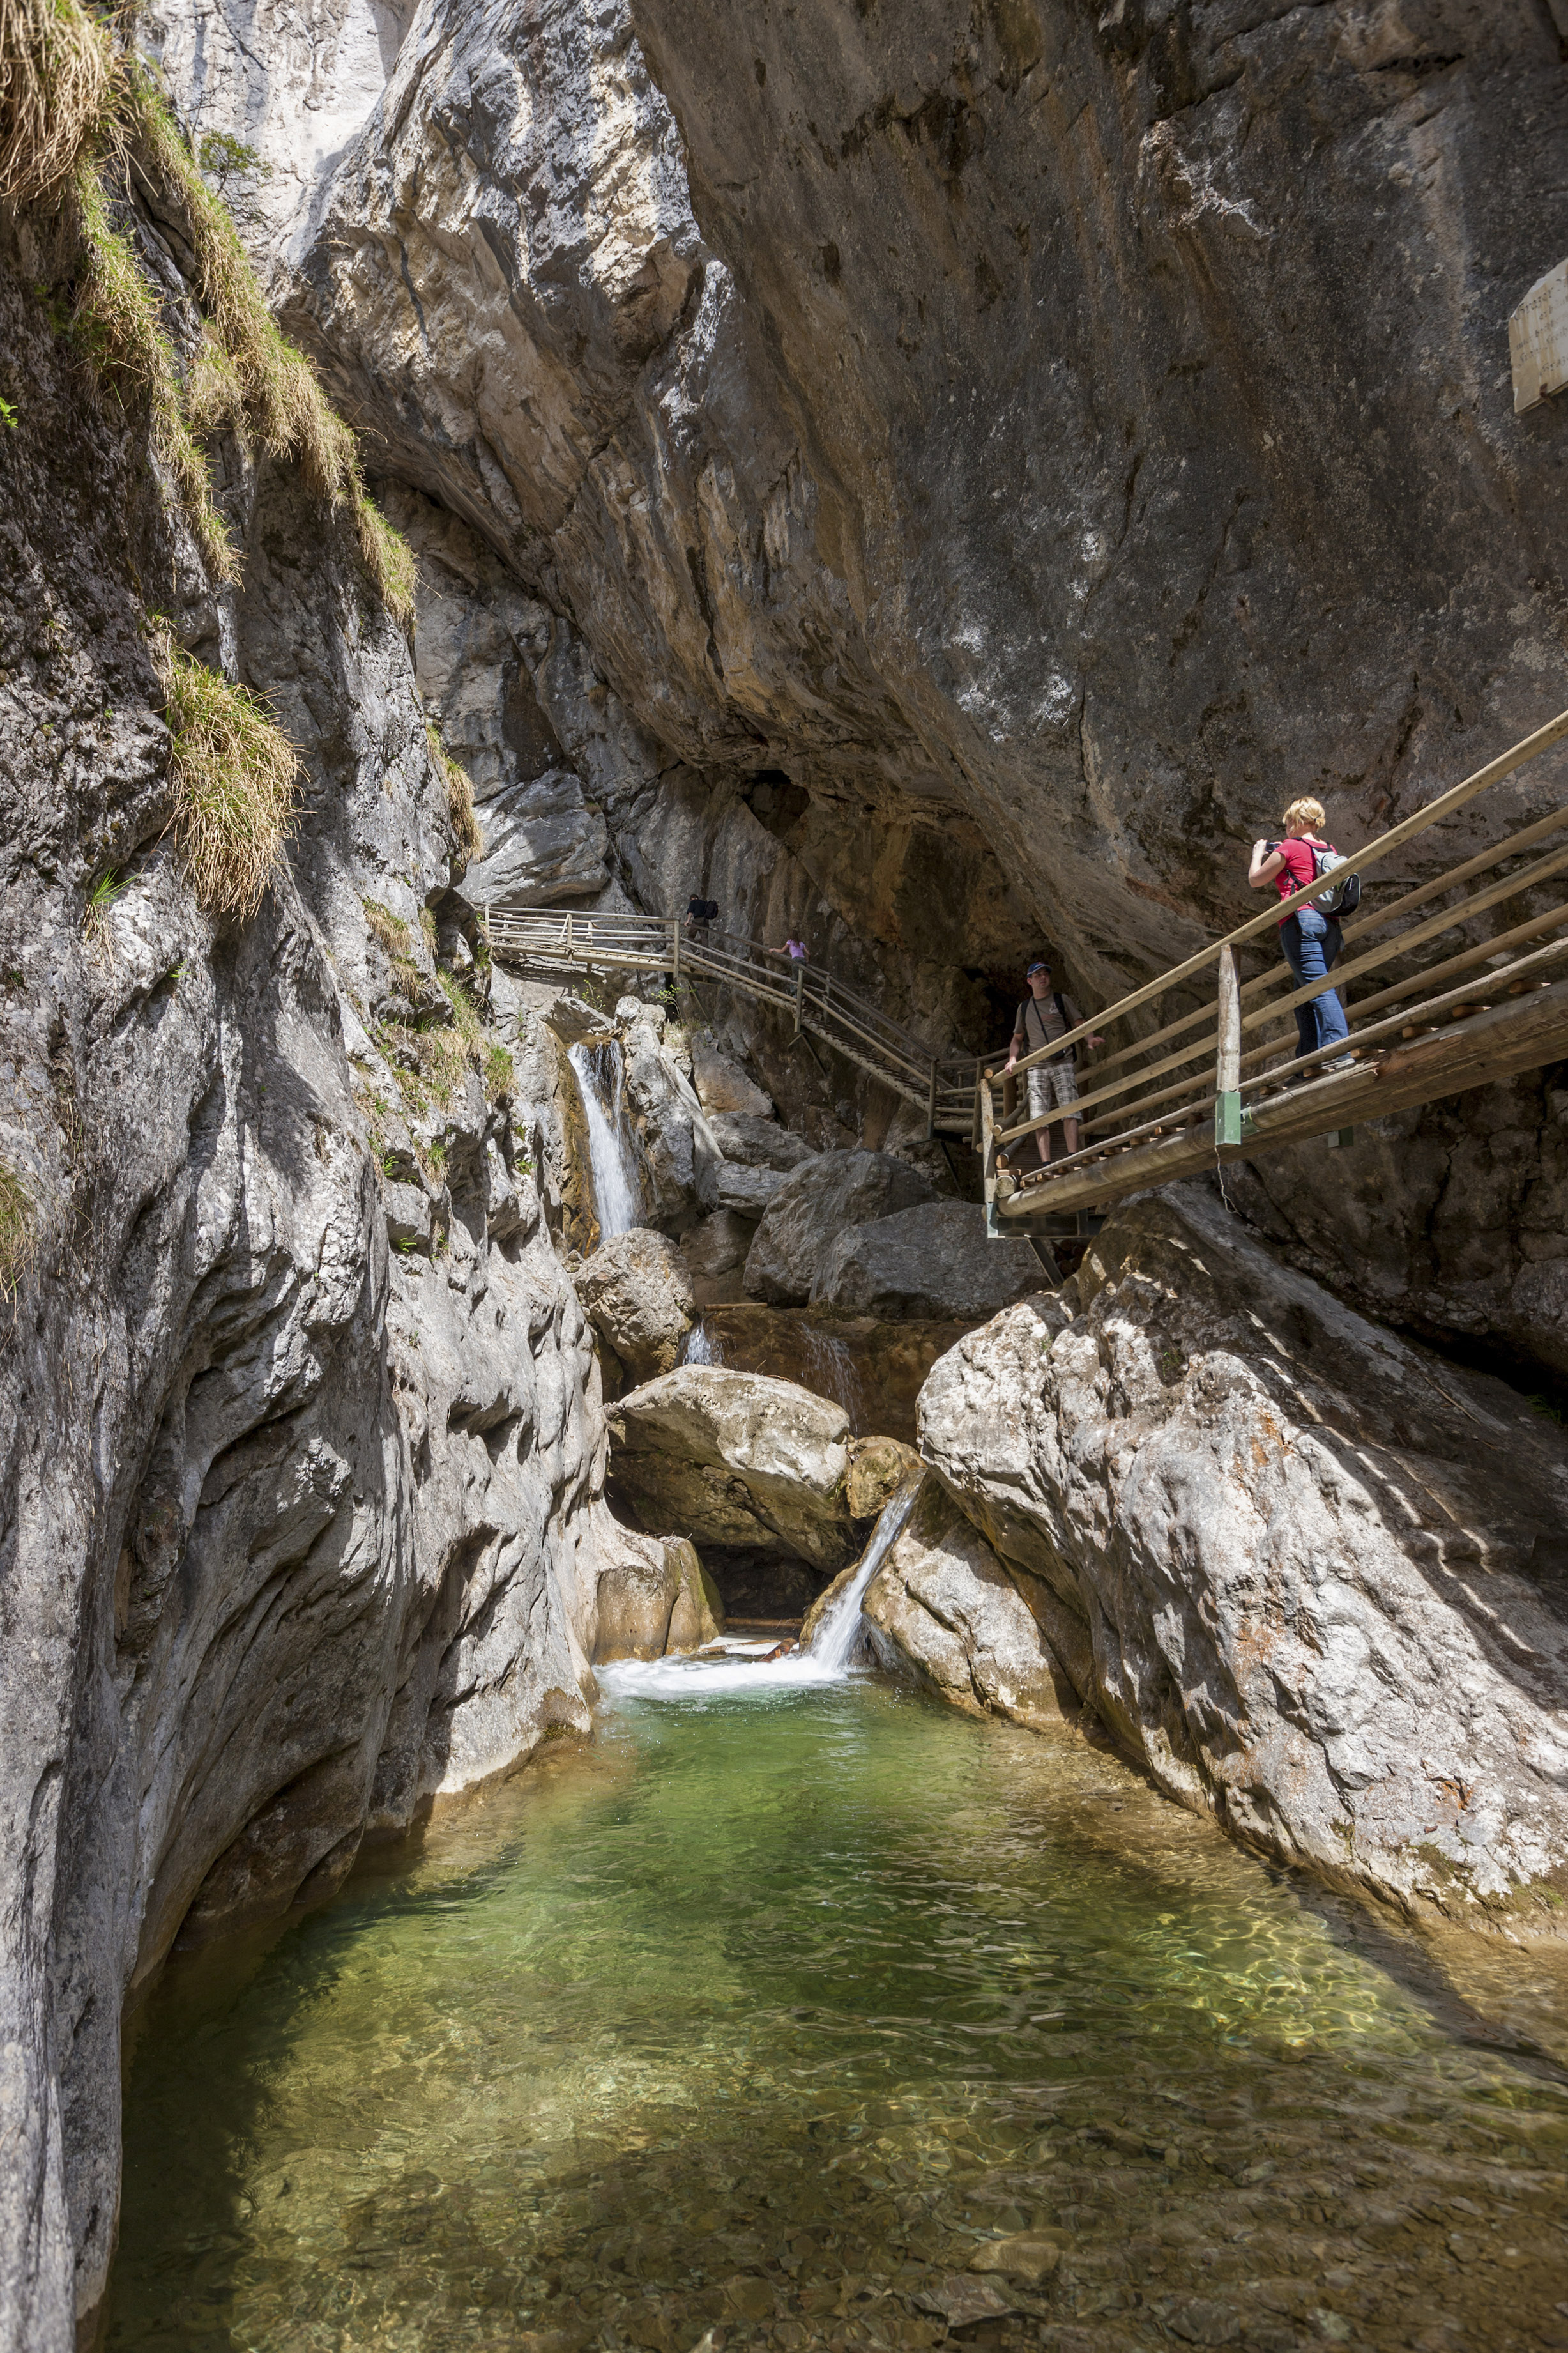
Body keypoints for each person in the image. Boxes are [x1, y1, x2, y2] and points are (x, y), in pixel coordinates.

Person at [1247, 798, 1351, 1072]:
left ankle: (1338, 1050)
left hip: (1301, 921)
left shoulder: (1291, 846)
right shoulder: (1329, 849)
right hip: (1330, 927)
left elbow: (1256, 880)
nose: (1286, 829)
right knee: (1304, 993)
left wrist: (1258, 853)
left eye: (1287, 823)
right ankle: (1308, 1060)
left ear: (1295, 820)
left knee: (1317, 987)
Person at [1003, 957, 1103, 1166]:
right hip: (1037, 1067)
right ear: (1029, 981)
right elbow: (1017, 1038)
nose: (1043, 978)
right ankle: (1047, 1164)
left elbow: (1079, 1023)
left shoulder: (1061, 1000)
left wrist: (1090, 1038)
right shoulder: (1024, 1008)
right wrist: (1013, 1059)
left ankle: (1072, 1157)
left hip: (1063, 1062)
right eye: (1038, 975)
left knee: (1070, 1110)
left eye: (1045, 974)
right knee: (1040, 1117)